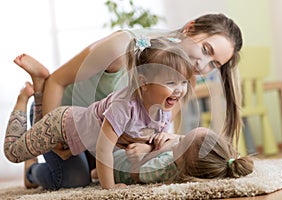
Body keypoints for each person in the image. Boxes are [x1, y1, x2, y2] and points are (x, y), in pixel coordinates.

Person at [23, 13, 243, 190]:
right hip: (63, 121)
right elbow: (57, 82)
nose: (202, 65)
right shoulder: (120, 49)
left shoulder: (185, 83)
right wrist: (53, 141)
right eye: (206, 50)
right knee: (73, 179)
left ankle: (90, 161)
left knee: (133, 167)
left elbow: (151, 130)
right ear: (189, 28)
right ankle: (31, 169)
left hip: (103, 138)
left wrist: (148, 148)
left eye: (213, 64)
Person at [4, 37, 194, 189]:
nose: (179, 90)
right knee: (12, 153)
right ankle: (22, 100)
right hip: (59, 125)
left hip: (79, 141)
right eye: (171, 83)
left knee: (72, 171)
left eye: (183, 82)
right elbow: (103, 151)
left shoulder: (163, 109)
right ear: (143, 83)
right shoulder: (124, 106)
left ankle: (39, 86)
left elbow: (148, 138)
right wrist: (110, 188)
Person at [95, 127, 254, 184]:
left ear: (182, 161)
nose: (177, 138)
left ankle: (93, 171)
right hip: (120, 154)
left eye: (181, 140)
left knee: (95, 171)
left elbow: (135, 174)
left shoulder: (160, 168)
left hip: (116, 167)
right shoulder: (189, 162)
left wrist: (158, 150)